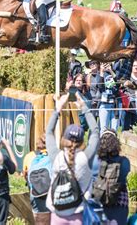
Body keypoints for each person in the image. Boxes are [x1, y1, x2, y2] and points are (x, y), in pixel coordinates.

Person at [45, 93, 99, 223]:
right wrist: (84, 107)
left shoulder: (56, 156)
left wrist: (58, 109)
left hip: (57, 213)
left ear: (64, 139)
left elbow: (48, 132)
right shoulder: (86, 157)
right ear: (82, 141)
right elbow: (96, 131)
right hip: (78, 213)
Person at [94, 129, 130, 224]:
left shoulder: (95, 162)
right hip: (120, 203)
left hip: (99, 202)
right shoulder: (124, 161)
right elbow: (122, 180)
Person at [0, 130, 18, 225]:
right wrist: (8, 147)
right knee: (0, 222)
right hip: (2, 195)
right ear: (0, 144)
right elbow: (14, 169)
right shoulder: (4, 158)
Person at [22, 135, 51, 225]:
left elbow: (25, 175)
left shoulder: (29, 156)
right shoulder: (54, 156)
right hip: (51, 194)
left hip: (35, 193)